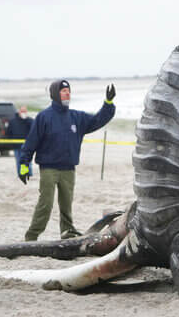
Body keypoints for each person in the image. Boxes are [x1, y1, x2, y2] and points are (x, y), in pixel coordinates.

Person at [19, 80, 116, 240]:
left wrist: (108, 103)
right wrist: (24, 164)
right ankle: (32, 236)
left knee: (66, 206)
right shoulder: (44, 117)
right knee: (46, 204)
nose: (67, 93)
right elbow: (31, 142)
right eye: (64, 91)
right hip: (49, 168)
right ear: (55, 94)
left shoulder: (76, 117)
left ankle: (67, 232)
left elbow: (98, 120)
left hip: (69, 169)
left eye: (69, 91)